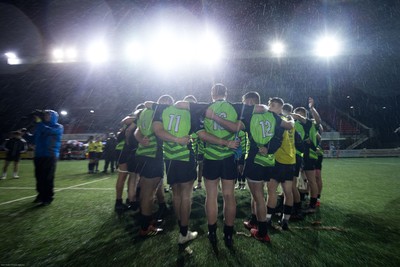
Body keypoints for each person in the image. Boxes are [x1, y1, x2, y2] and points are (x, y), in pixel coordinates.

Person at [146, 94, 202, 244]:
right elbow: (197, 134)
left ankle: (181, 228)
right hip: (185, 157)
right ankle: (184, 233)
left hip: (169, 158)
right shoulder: (190, 113)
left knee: (176, 194)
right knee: (186, 196)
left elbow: (158, 131)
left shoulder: (162, 111)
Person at [292, 97, 322, 213]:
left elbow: (318, 121)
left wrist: (312, 108)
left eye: (300, 115)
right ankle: (301, 199)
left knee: (311, 180)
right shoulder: (295, 124)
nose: (297, 116)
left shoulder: (309, 123)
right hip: (299, 155)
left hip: (309, 154)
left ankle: (313, 205)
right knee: (301, 179)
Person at [27, 110, 63, 205]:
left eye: (48, 115)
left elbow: (48, 131)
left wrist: (39, 123)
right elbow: (33, 139)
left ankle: (48, 197)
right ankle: (40, 195)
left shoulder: (58, 127)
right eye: (45, 115)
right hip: (39, 155)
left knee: (47, 177)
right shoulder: (40, 126)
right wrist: (25, 133)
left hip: (50, 155)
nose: (46, 116)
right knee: (39, 177)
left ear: (53, 116)